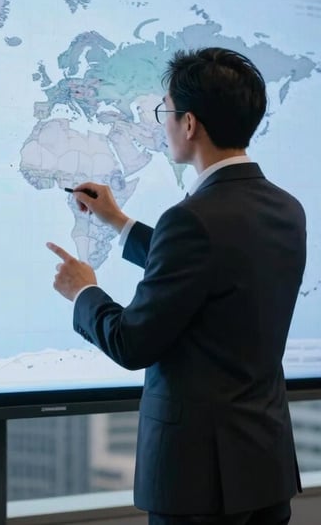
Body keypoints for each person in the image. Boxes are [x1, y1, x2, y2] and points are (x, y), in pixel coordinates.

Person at [47, 47, 305, 525]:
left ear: (189, 124)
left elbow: (132, 342)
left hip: (199, 484)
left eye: (165, 112)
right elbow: (215, 270)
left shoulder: (192, 221)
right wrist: (119, 223)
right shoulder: (286, 209)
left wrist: (83, 292)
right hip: (263, 470)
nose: (162, 123)